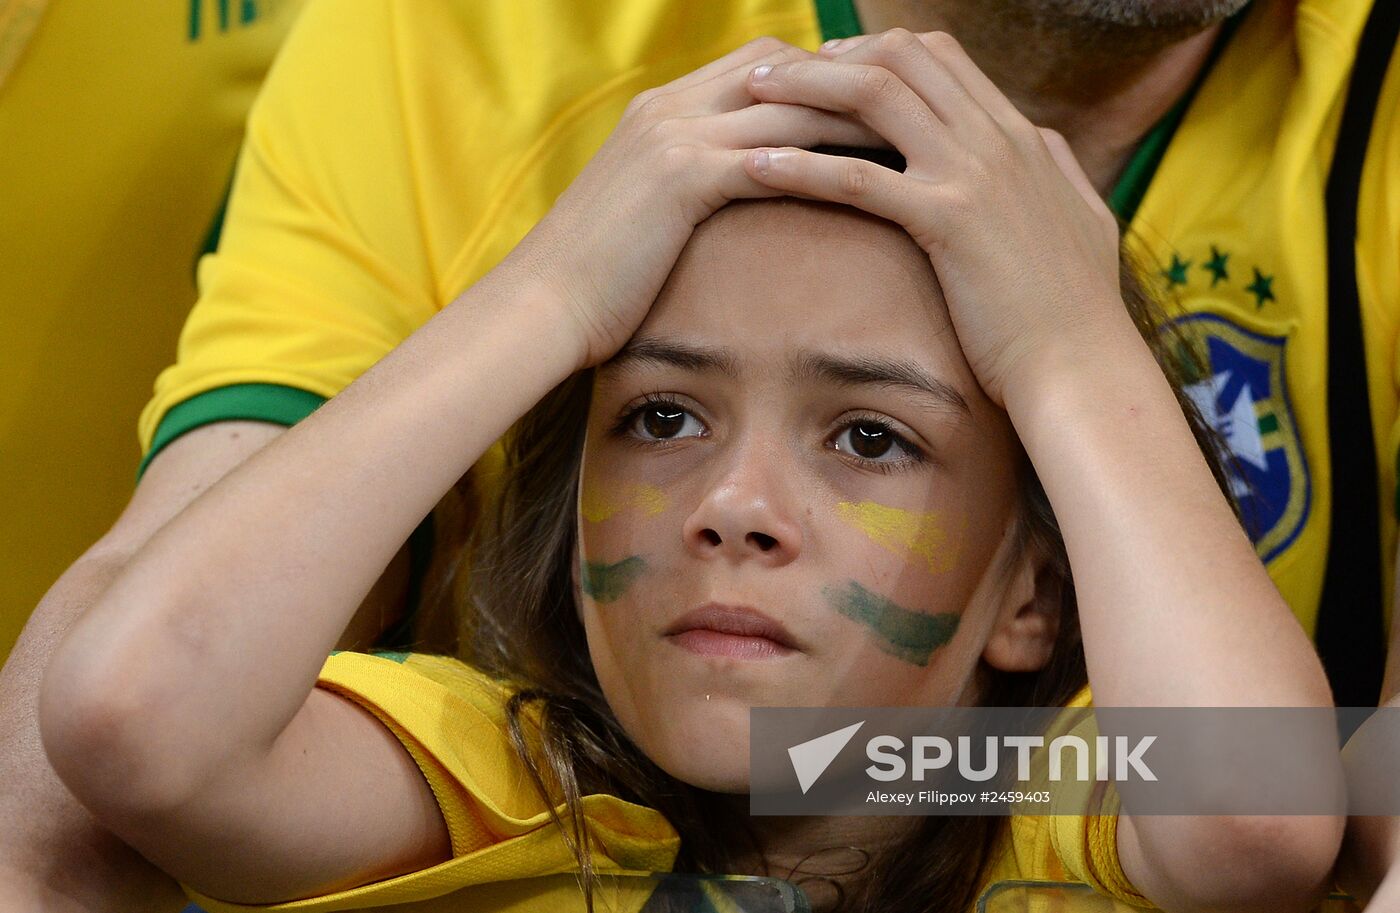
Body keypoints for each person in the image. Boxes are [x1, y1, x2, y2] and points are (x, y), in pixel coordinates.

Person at [4, 0, 1393, 907]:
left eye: (869, 436)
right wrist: (554, 295)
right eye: (661, 418)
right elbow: (137, 714)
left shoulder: (1016, 792)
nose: (733, 505)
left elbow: (1256, 813)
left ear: (1033, 593)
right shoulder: (517, 780)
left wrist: (1070, 345)